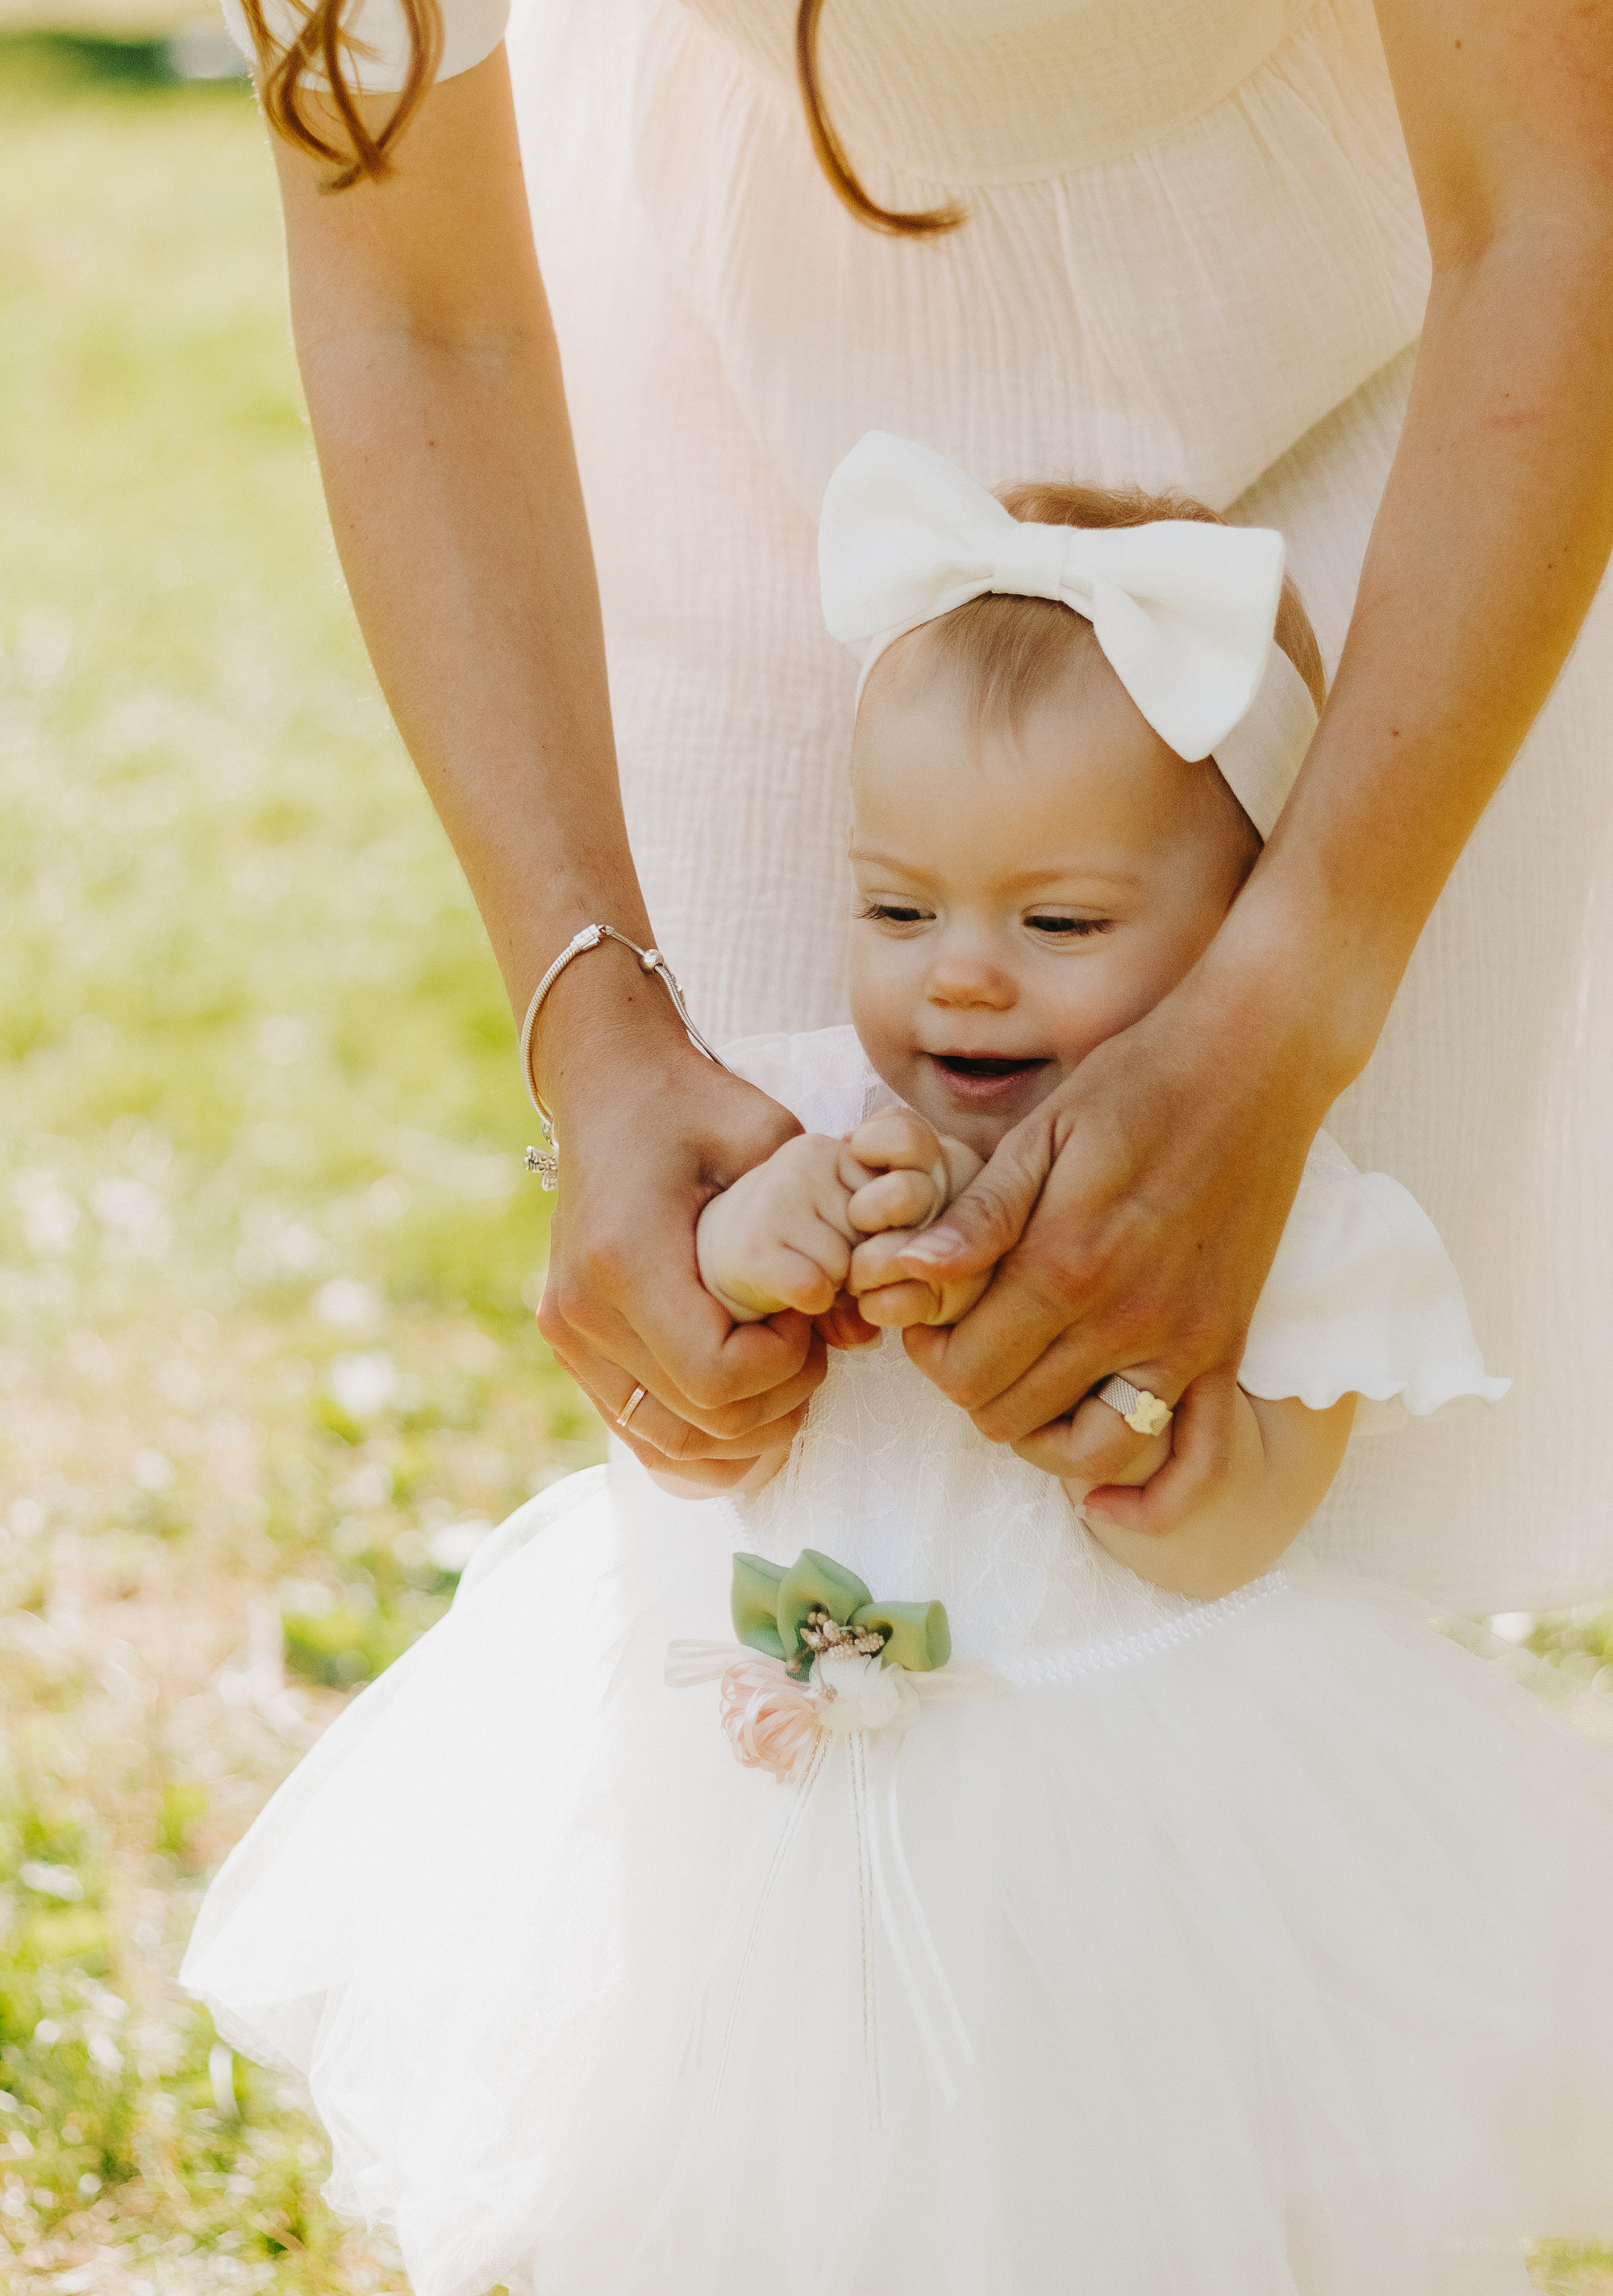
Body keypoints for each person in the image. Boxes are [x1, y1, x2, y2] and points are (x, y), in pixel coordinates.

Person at [180, 445, 1613, 2295]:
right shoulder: (808, 1120)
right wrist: (773, 1248)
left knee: (1113, 2207)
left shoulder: (1281, 1214)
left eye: (1061, 924)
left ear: (1246, 920)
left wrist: (1148, 1445)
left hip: (1118, 1854)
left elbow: (1241, 1524)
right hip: (755, 1821)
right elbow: (701, 1414)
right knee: (755, 2180)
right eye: (898, 910)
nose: (962, 982)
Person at [101, 0, 1613, 1613]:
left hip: (1405, 299)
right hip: (736, 320)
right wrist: (587, 1024)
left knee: (1286, 1505)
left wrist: (1292, 1003)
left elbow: (1545, 209)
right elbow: (412, 305)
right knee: (802, 1482)